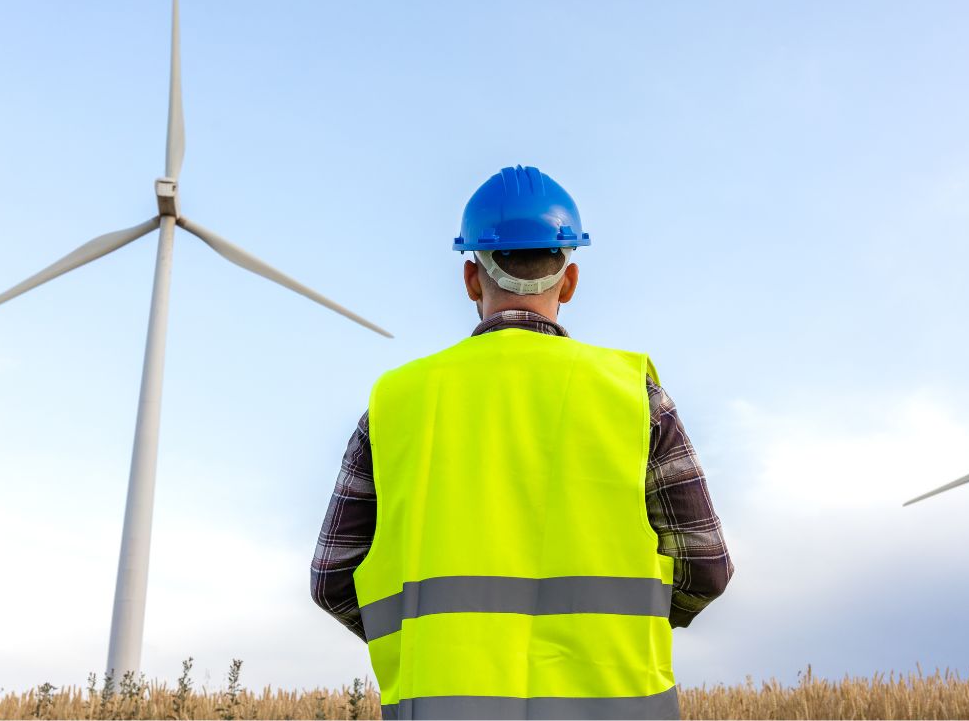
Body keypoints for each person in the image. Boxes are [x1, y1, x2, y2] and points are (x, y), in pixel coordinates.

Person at [311, 165, 732, 720]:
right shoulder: (634, 395)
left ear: (470, 278)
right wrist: (631, 628)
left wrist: (423, 640)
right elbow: (706, 565)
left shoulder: (396, 402)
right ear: (571, 279)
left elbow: (331, 576)